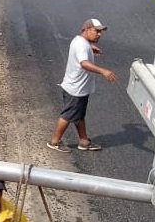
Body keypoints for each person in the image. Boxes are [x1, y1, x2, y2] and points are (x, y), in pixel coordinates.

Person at [47, 18, 117, 152]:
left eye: (100, 32)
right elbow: (84, 63)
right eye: (97, 31)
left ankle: (84, 141)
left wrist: (90, 48)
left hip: (77, 87)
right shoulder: (82, 46)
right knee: (67, 115)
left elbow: (82, 48)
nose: (99, 34)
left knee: (79, 115)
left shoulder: (80, 41)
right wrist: (103, 71)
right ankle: (54, 142)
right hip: (76, 89)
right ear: (86, 30)